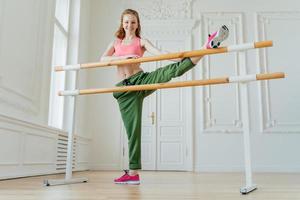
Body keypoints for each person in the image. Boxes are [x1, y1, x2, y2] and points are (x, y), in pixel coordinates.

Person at [101, 9, 229, 185]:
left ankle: (205, 47)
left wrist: (178, 59)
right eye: (126, 22)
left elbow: (160, 53)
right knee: (133, 133)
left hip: (141, 80)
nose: (129, 25)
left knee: (173, 71)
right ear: (122, 23)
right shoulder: (116, 42)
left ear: (138, 24)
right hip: (124, 92)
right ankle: (133, 173)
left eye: (133, 22)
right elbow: (102, 59)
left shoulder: (141, 41)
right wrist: (125, 58)